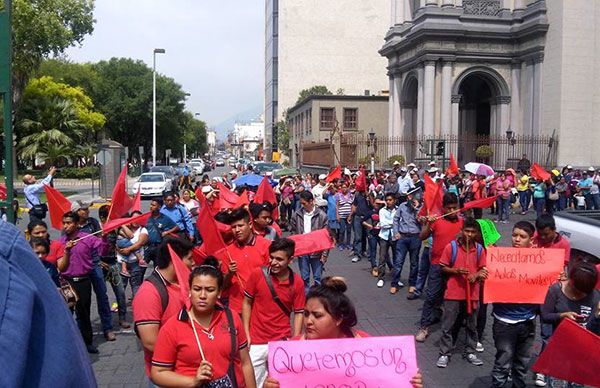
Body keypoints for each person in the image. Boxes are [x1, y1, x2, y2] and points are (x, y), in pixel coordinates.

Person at [262, 277, 424, 388]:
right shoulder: (290, 352)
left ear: (338, 318)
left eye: (317, 315)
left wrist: (408, 382)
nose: (308, 321)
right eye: (305, 314)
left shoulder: (365, 346)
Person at [0, 219, 97, 387]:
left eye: (43, 232)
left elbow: (61, 269)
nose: (41, 235)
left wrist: (66, 253)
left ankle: (88, 341)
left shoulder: (11, 252)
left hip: (61, 294)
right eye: (37, 233)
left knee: (80, 316)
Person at [151, 257, 256, 387]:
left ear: (219, 293)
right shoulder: (172, 327)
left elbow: (245, 362)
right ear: (189, 291)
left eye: (210, 290)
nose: (202, 295)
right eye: (197, 289)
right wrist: (193, 381)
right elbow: (158, 373)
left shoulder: (232, 318)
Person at [242, 238, 305, 387]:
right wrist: (246, 333)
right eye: (271, 257)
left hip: (281, 342)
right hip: (256, 342)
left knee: (280, 384)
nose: (273, 262)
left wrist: (295, 341)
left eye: (279, 259)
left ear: (290, 260)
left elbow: (299, 313)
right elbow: (247, 303)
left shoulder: (297, 282)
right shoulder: (257, 274)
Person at [133, 236, 195, 381]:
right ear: (175, 261)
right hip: (168, 376)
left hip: (190, 371)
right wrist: (188, 356)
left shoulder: (185, 283)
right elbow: (150, 341)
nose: (193, 263)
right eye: (190, 259)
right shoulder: (149, 293)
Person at [436, 217, 488, 368]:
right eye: (467, 231)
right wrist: (456, 271)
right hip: (453, 293)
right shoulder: (451, 247)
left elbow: (483, 269)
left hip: (472, 294)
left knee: (472, 324)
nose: (469, 235)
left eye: (472, 232)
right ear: (461, 231)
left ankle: (470, 351)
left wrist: (476, 275)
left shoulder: (479, 249)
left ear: (477, 233)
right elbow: (443, 267)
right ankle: (445, 352)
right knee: (448, 324)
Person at [540, 261, 600, 387]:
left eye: (585, 293)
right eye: (578, 291)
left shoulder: (595, 297)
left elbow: (592, 331)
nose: (582, 295)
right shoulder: (556, 290)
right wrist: (562, 315)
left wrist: (597, 316)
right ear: (572, 282)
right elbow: (545, 316)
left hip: (581, 354)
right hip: (559, 351)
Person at [416, 193, 464, 342]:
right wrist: (428, 224)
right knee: (431, 296)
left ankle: (456, 325)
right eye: (449, 208)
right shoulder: (436, 221)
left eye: (454, 207)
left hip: (456, 267)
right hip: (437, 265)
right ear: (443, 208)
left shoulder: (463, 223)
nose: (452, 210)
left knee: (455, 298)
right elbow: (422, 237)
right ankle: (424, 328)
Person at [59, 211, 105, 353]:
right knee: (67, 312)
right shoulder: (61, 241)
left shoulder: (87, 238)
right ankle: (67, 342)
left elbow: (102, 250)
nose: (66, 226)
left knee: (84, 312)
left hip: (84, 281)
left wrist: (105, 238)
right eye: (64, 223)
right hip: (66, 282)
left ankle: (87, 342)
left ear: (77, 224)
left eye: (69, 223)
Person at [71, 200, 116, 342]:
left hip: (95, 263)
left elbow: (99, 243)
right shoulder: (70, 226)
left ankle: (107, 328)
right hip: (80, 266)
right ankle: (81, 330)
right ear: (76, 212)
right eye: (83, 209)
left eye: (87, 208)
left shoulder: (93, 223)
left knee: (102, 295)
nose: (87, 211)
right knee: (81, 300)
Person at [220, 207, 271, 314]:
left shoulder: (266, 245)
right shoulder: (227, 252)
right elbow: (223, 285)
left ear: (250, 225)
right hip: (237, 308)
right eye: (234, 227)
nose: (237, 230)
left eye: (240, 226)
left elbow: (274, 277)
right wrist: (229, 273)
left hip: (262, 306)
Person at [97, 205, 130, 329]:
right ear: (102, 217)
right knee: (102, 294)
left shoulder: (115, 228)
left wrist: (121, 224)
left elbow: (130, 235)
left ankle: (122, 318)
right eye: (110, 216)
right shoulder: (96, 228)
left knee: (120, 292)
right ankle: (106, 322)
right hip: (99, 264)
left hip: (112, 263)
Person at [290, 191, 329, 293]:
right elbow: (293, 231)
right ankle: (306, 300)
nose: (302, 205)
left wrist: (324, 254)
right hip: (303, 251)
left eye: (304, 203)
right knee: (304, 277)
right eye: (301, 203)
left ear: (311, 201)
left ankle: (318, 299)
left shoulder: (322, 216)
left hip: (317, 250)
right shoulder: (297, 215)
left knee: (317, 278)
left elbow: (326, 237)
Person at [392, 194, 422, 298]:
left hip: (415, 237)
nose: (411, 198)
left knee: (414, 262)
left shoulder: (420, 207)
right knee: (399, 261)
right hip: (403, 237)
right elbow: (395, 219)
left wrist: (416, 209)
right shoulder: (402, 206)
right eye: (409, 196)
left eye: (413, 196)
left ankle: (412, 283)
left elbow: (421, 221)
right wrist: (396, 232)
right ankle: (394, 283)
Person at [116, 210, 149, 296]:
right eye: (133, 218)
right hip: (121, 263)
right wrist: (119, 250)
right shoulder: (124, 228)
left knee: (136, 285)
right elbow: (114, 241)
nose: (135, 221)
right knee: (121, 286)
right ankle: (119, 305)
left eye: (138, 219)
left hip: (135, 263)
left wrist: (128, 249)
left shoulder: (143, 230)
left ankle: (137, 304)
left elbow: (139, 243)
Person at [145, 198, 178, 266]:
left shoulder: (164, 218)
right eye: (151, 204)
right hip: (147, 247)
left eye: (154, 205)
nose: (151, 206)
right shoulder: (146, 217)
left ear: (159, 207)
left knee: (157, 268)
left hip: (158, 247)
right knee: (141, 268)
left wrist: (167, 232)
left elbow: (176, 227)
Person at [376, 192, 398, 290]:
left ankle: (396, 278)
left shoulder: (398, 210)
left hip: (394, 236)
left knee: (397, 259)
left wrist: (393, 223)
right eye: (387, 200)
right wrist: (393, 223)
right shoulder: (382, 210)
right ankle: (381, 277)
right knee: (382, 257)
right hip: (384, 236)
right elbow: (383, 224)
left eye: (390, 200)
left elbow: (399, 223)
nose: (388, 202)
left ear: (394, 200)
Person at [335, 181, 354, 250]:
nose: (344, 189)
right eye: (342, 187)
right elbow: (337, 206)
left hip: (349, 216)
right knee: (342, 230)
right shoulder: (338, 195)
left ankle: (348, 244)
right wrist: (337, 215)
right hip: (342, 216)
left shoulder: (351, 195)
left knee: (349, 231)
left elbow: (352, 206)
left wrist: (350, 215)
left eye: (345, 187)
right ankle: (341, 244)